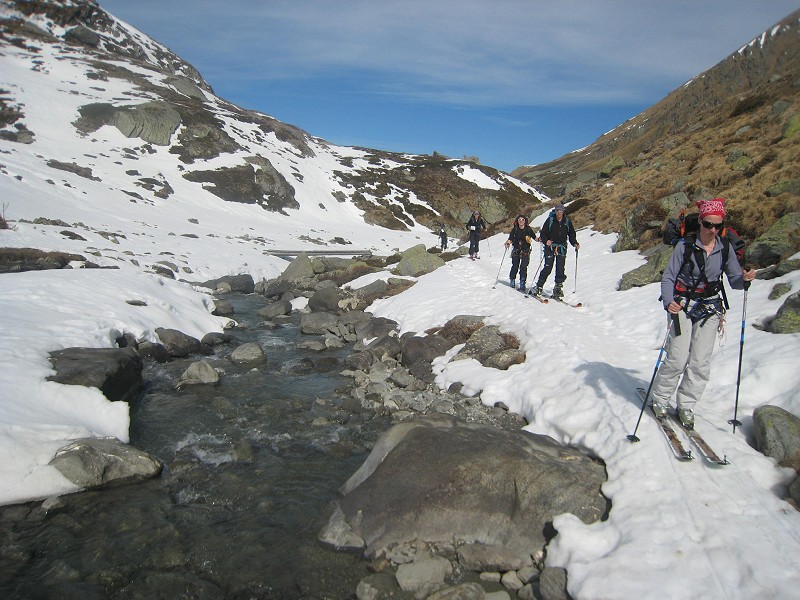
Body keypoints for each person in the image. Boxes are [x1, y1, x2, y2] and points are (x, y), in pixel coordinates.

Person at [650, 198, 756, 429]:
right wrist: (669, 302)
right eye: (708, 224)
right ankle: (660, 399)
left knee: (699, 362)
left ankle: (686, 405)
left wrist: (745, 279)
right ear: (700, 222)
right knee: (677, 358)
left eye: (718, 225)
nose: (713, 230)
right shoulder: (684, 246)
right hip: (682, 305)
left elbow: (735, 280)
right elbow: (669, 276)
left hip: (710, 308)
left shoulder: (724, 247)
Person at [531, 203, 579, 299]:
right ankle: (539, 286)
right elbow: (543, 233)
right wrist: (546, 241)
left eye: (561, 211)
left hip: (561, 247)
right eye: (557, 211)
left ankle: (558, 288)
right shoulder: (550, 220)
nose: (559, 213)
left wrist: (575, 243)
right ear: (555, 211)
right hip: (550, 248)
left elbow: (571, 234)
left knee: (560, 268)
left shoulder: (567, 222)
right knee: (548, 267)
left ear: (563, 211)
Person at [504, 214, 537, 290]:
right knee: (515, 266)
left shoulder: (528, 229)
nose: (521, 221)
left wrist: (540, 239)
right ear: (517, 221)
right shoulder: (515, 229)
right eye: (519, 220)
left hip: (525, 250)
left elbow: (535, 237)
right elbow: (511, 238)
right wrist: (508, 243)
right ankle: (512, 279)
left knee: (523, 267)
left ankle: (522, 283)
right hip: (516, 250)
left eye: (523, 220)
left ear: (525, 221)